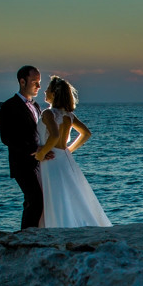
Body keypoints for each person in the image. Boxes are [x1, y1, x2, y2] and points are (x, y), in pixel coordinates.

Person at [33, 76, 112, 228]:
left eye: (48, 89)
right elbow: (86, 133)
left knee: (57, 196)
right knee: (71, 195)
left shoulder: (49, 114)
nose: (44, 91)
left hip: (52, 161)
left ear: (54, 94)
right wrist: (69, 150)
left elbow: (55, 135)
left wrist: (42, 153)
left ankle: (58, 227)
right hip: (65, 158)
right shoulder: (68, 115)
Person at [0, 65, 49, 229]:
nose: (39, 86)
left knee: (33, 200)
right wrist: (32, 151)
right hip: (21, 163)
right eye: (35, 82)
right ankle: (26, 236)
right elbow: (6, 138)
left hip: (37, 163)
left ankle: (29, 233)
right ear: (22, 81)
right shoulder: (9, 106)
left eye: (39, 82)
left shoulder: (36, 106)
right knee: (36, 200)